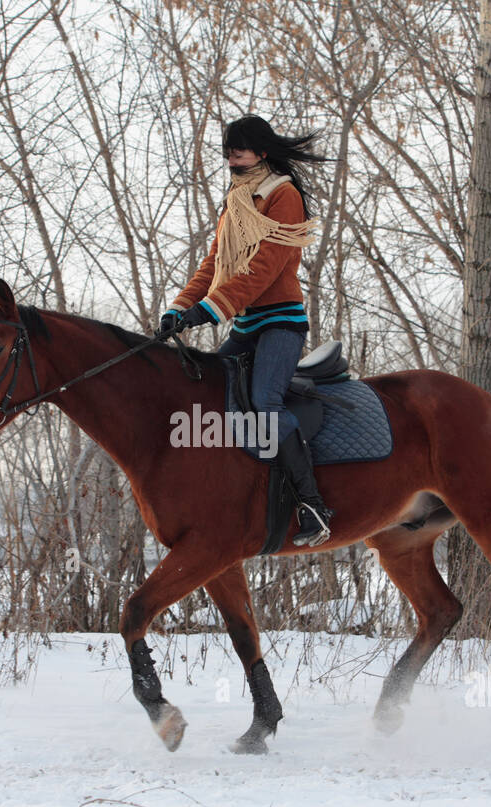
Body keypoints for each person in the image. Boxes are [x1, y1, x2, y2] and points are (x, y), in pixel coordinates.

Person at [160, 115, 334, 547]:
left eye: (238, 150)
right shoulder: (236, 199)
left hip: (280, 322)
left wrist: (209, 311)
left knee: (266, 402)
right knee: (206, 396)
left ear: (261, 151)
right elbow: (213, 264)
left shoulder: (283, 195)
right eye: (228, 151)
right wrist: (179, 308)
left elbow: (265, 267)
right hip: (246, 322)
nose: (231, 158)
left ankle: (312, 504)